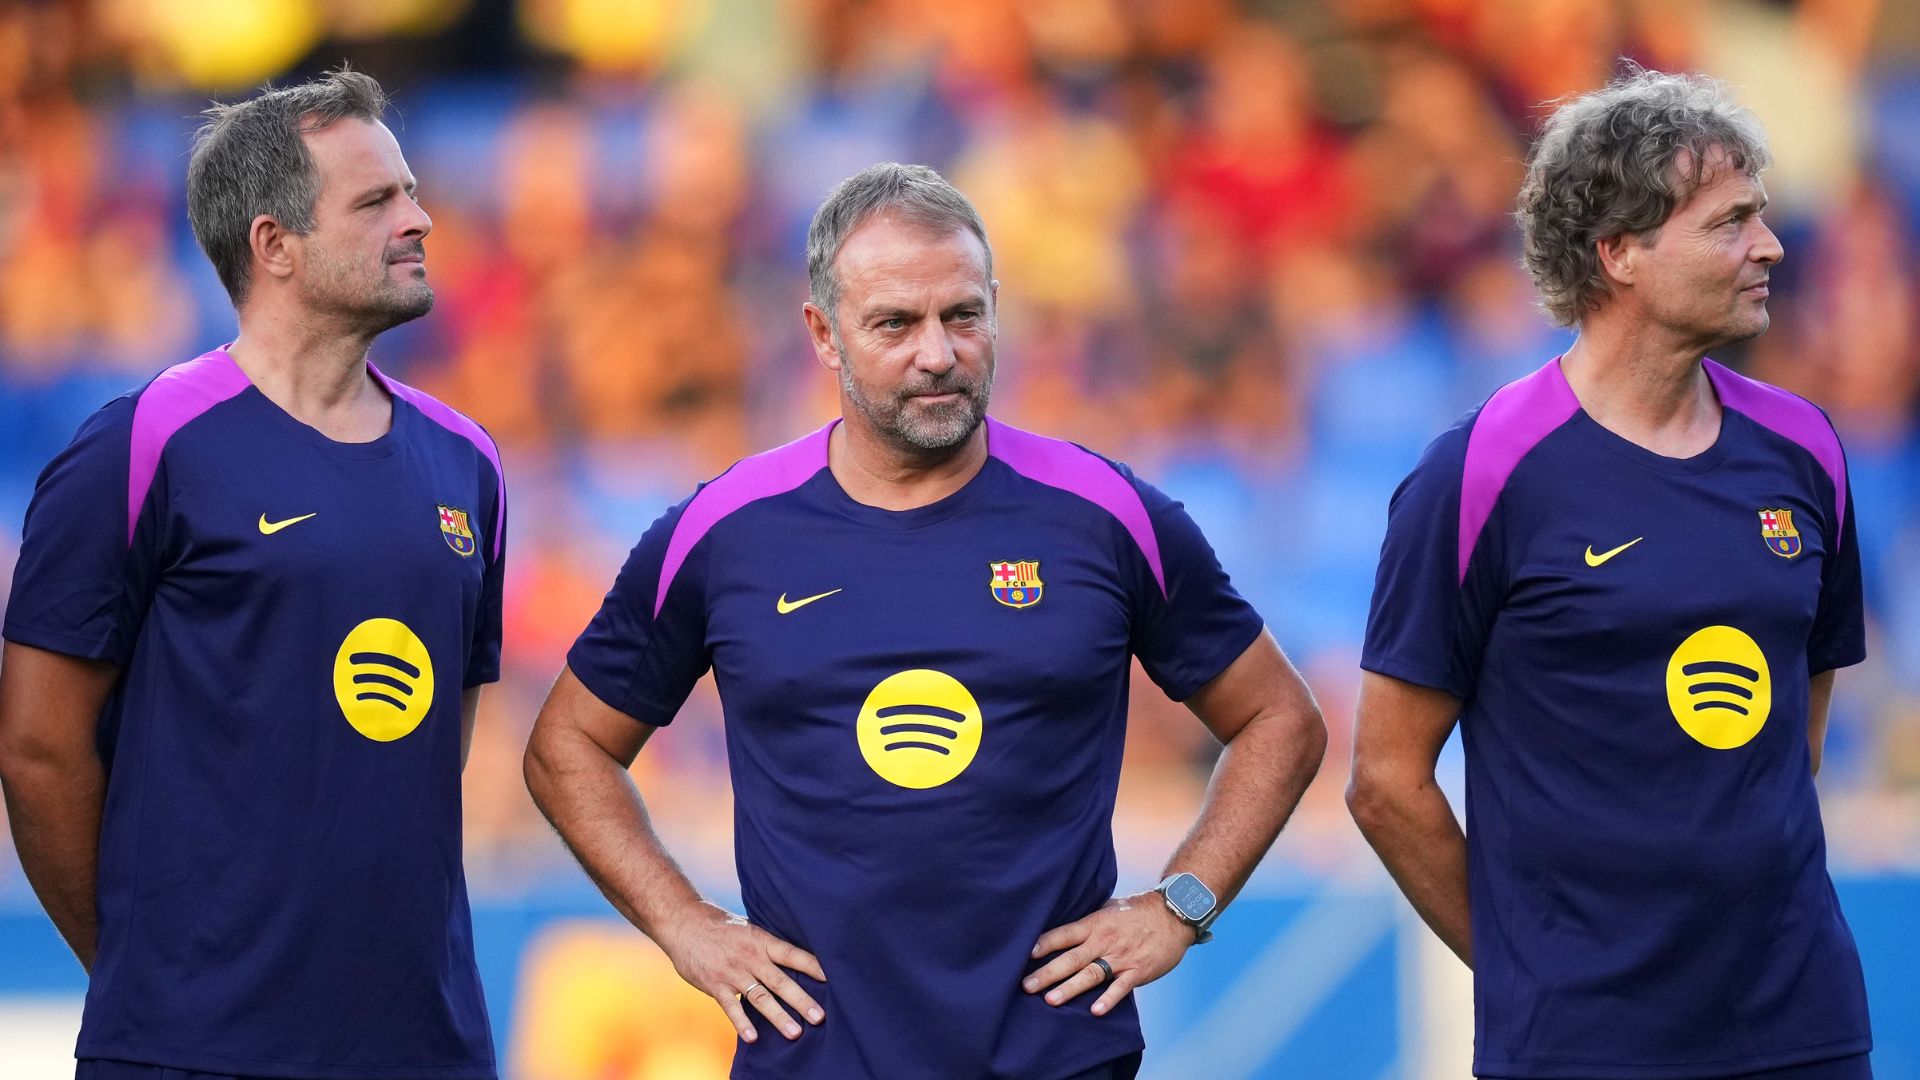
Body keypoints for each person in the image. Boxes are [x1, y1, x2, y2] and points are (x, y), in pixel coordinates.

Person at [523, 162, 1326, 1080]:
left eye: (964, 316)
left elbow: (1281, 718)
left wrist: (1180, 905)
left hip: (1055, 1056)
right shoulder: (723, 532)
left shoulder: (1106, 515)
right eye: (896, 324)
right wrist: (685, 924)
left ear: (996, 309)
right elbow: (567, 746)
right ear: (824, 334)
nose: (938, 353)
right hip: (812, 1061)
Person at [1347, 66, 1872, 1079]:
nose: (1769, 247)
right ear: (1619, 252)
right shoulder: (1481, 472)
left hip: (1800, 1025)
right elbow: (1385, 781)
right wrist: (1523, 965)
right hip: (1582, 1043)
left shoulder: (1805, 450)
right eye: (1729, 222)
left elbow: (1788, 744)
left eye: (1761, 217)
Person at [0, 69, 505, 1080]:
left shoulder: (468, 464)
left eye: (409, 191)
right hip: (192, 1051)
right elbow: (38, 749)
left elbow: (430, 751)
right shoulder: (141, 448)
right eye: (377, 201)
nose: (421, 219)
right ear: (274, 245)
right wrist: (149, 973)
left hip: (423, 1047)